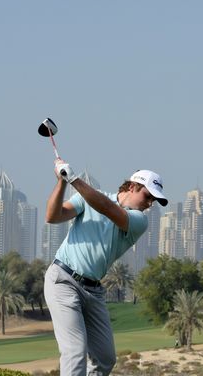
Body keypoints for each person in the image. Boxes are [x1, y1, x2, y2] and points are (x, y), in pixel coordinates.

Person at [44, 159, 167, 375]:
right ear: (132, 187)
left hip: (93, 291)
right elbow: (53, 216)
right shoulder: (86, 199)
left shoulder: (139, 220)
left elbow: (108, 208)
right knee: (74, 351)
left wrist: (74, 179)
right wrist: (62, 183)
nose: (149, 204)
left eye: (153, 201)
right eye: (148, 196)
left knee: (105, 358)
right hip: (63, 280)